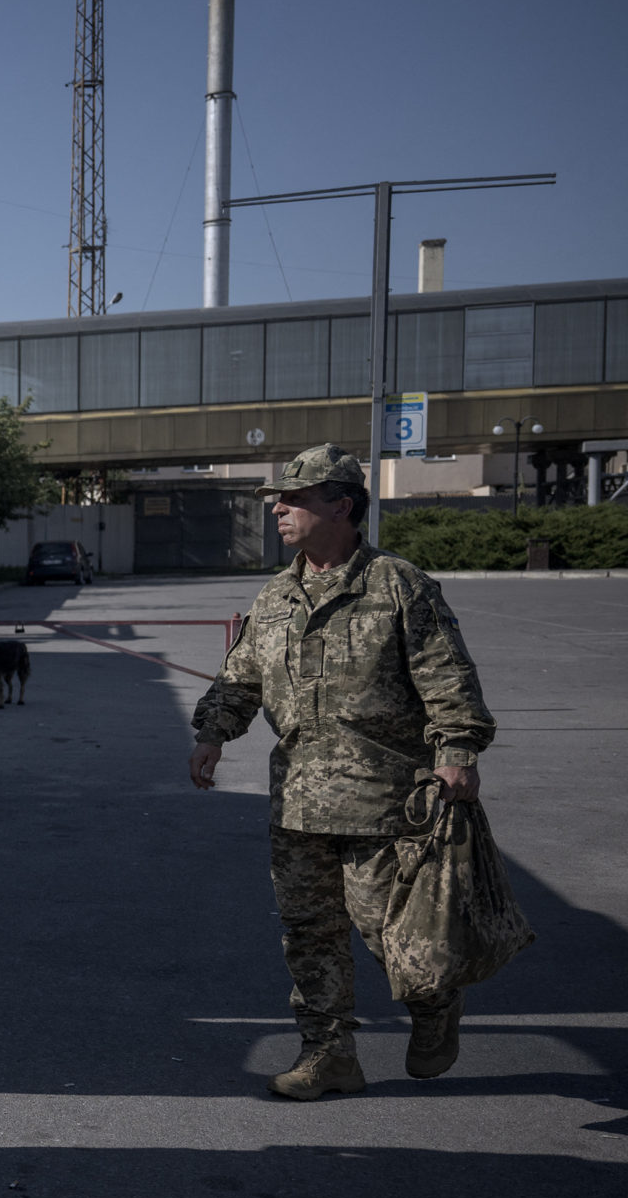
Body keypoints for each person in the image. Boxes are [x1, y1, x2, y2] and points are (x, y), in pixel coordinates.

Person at [190, 443, 496, 1099]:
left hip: (385, 801)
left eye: (294, 498)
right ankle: (328, 1054)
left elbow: (447, 678)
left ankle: (434, 1005)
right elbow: (240, 677)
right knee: (308, 932)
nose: (279, 508)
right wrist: (213, 732)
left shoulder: (397, 586)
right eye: (279, 498)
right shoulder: (277, 596)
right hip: (297, 801)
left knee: (388, 930)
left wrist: (457, 751)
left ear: (341, 504)